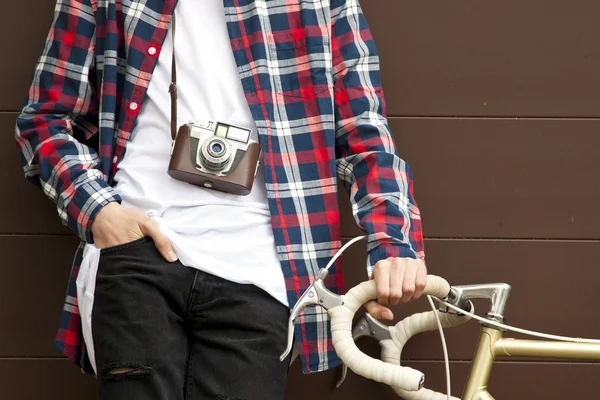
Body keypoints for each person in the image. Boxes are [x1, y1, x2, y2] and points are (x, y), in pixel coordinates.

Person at [15, 0, 427, 399]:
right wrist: (100, 211)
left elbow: (366, 137)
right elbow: (46, 120)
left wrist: (393, 244)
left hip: (261, 270)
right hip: (135, 250)